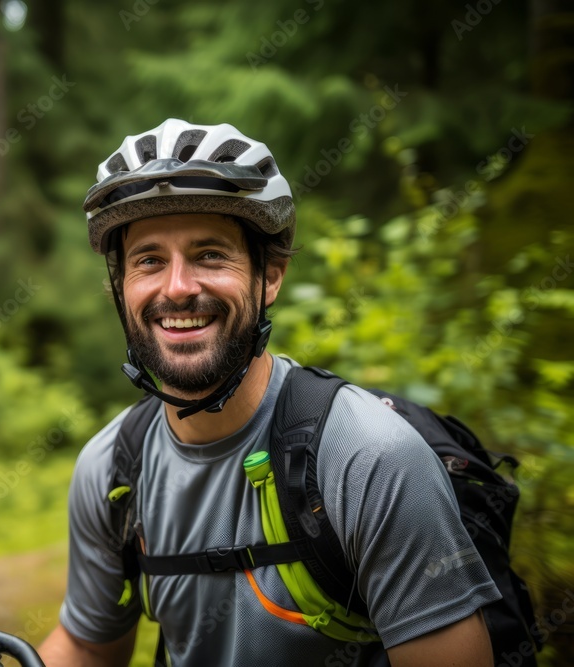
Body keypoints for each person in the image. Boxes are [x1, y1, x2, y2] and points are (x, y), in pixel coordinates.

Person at [37, 119, 501, 666]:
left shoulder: (369, 457)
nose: (178, 287)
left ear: (271, 275)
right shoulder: (115, 468)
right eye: (148, 260)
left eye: (210, 254)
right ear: (122, 287)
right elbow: (90, 647)